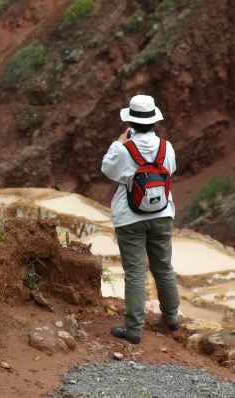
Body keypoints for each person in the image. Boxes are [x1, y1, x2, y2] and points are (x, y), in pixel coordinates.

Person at [101, 94, 180, 344]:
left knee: (135, 272)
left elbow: (107, 169)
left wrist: (118, 142)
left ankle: (133, 329)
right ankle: (171, 317)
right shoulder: (167, 147)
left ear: (131, 122)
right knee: (163, 267)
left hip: (129, 218)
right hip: (162, 214)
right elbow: (171, 170)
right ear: (154, 120)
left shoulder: (124, 150)